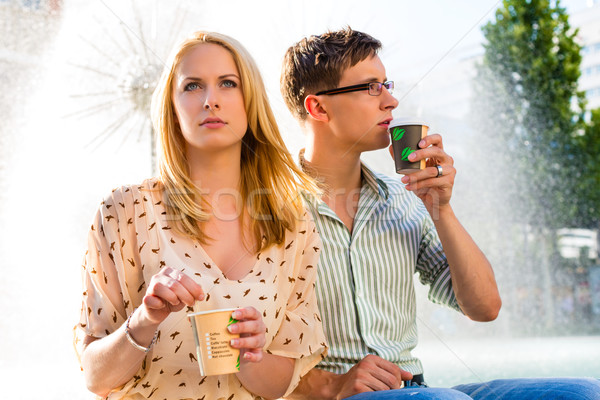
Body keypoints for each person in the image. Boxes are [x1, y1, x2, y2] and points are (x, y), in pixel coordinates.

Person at [279, 27, 600, 400]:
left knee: (582, 391)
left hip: (416, 391)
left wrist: (441, 210)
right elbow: (234, 340)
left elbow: (484, 307)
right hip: (332, 396)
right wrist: (328, 384)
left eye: (387, 84)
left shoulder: (403, 200)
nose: (392, 101)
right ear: (318, 107)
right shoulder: (269, 205)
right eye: (371, 87)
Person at [73, 30, 327, 400]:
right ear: (172, 109)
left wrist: (251, 354)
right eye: (192, 86)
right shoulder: (124, 210)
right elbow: (95, 377)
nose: (211, 100)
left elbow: (280, 385)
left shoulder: (292, 222)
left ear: (250, 101)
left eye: (228, 83)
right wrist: (145, 320)